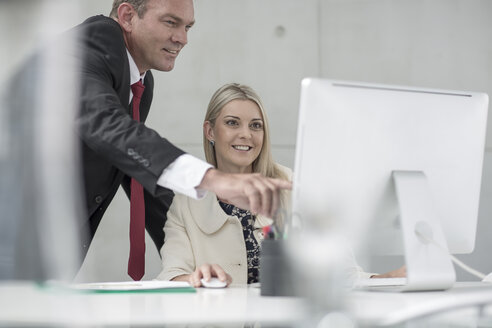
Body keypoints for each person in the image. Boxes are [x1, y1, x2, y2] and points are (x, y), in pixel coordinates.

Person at [6, 0, 290, 281]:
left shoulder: (141, 83)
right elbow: (108, 125)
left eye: (188, 26)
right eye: (171, 22)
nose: (183, 38)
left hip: (41, 257)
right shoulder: (94, 42)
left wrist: (191, 256)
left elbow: (136, 169)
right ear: (128, 16)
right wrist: (214, 179)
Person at [157, 83, 406, 287]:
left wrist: (385, 280)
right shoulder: (186, 201)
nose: (246, 134)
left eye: (256, 125)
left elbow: (342, 271)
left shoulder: (292, 187)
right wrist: (194, 278)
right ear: (210, 131)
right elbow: (172, 274)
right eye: (232, 123)